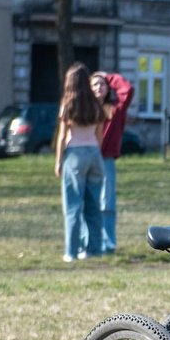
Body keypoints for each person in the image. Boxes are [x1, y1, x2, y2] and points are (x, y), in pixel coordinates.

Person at [55, 63, 105, 263]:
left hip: (74, 155)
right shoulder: (96, 105)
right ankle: (94, 249)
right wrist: (95, 152)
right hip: (94, 154)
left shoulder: (68, 105)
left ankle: (71, 252)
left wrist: (58, 161)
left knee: (73, 205)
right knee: (93, 206)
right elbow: (99, 134)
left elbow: (61, 136)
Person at [89, 71, 135, 255]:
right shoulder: (85, 109)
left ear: (108, 88)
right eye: (94, 84)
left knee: (107, 204)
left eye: (102, 84)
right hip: (88, 159)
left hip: (106, 159)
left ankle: (108, 245)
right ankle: (90, 243)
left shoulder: (115, 109)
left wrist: (108, 76)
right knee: (89, 203)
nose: (99, 87)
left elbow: (128, 90)